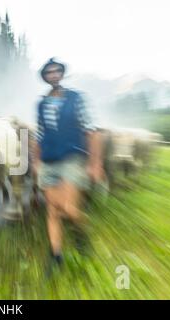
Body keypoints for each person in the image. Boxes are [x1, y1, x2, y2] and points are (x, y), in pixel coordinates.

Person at [32, 58, 104, 274]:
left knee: (70, 209)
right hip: (49, 161)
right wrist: (35, 161)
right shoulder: (42, 103)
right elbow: (40, 134)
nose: (53, 75)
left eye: (57, 71)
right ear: (45, 77)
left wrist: (95, 163)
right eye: (49, 72)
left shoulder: (77, 98)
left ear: (62, 74)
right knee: (53, 210)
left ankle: (81, 232)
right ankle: (56, 256)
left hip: (72, 158)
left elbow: (92, 130)